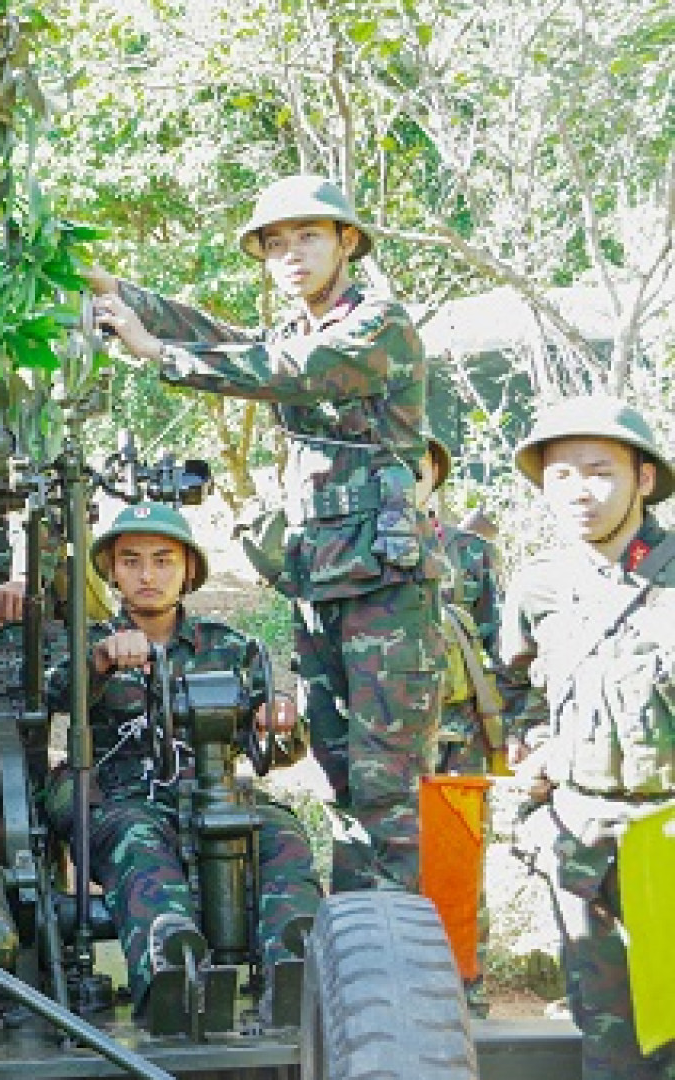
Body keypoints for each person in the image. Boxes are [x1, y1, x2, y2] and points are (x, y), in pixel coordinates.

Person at [89, 174, 442, 892]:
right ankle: (358, 940)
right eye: (274, 244)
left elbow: (289, 371)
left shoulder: (379, 324)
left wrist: (157, 354)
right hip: (322, 580)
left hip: (385, 586)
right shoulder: (297, 328)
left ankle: (413, 957)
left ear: (347, 241)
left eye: (307, 237)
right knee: (342, 771)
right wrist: (120, 293)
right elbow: (230, 340)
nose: (290, 255)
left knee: (390, 784)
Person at [43, 503, 321, 1025]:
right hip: (124, 805)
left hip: (214, 796)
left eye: (163, 560)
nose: (148, 575)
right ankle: (173, 973)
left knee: (281, 834)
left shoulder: (230, 648)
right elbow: (51, 694)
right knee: (142, 851)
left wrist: (276, 724)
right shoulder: (86, 640)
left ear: (188, 569)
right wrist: (98, 663)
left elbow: (278, 751)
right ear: (111, 570)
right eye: (131, 561)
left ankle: (295, 970)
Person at [499, 395, 675, 1079]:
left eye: (600, 472)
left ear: (645, 479)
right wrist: (532, 743)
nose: (580, 492)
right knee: (606, 1036)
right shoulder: (539, 586)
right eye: (561, 476)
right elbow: (512, 685)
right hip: (578, 833)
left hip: (664, 830)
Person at [417, 436, 522, 1017]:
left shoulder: (469, 554)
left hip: (456, 742)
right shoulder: (345, 554)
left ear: (436, 470)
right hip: (377, 746)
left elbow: (504, 655)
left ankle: (463, 999)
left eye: (418, 462)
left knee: (455, 871)